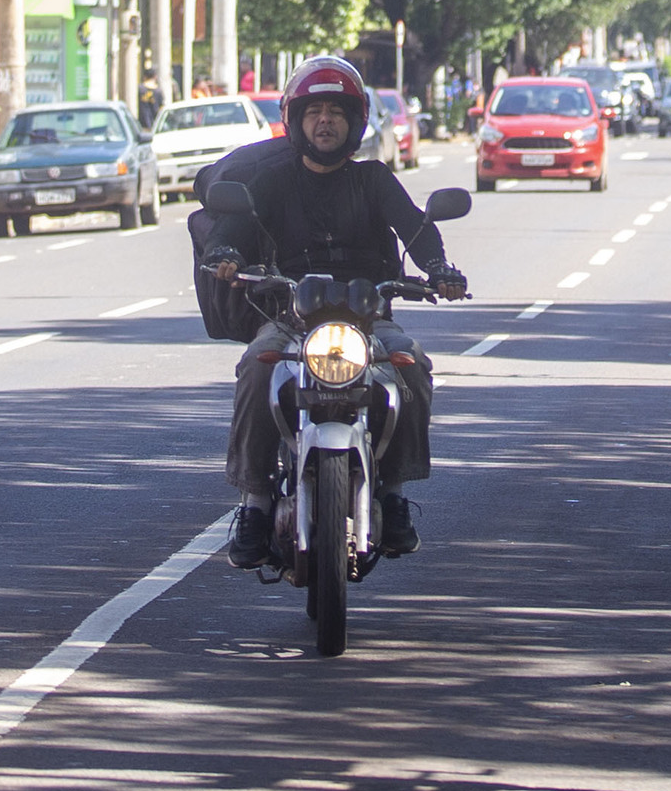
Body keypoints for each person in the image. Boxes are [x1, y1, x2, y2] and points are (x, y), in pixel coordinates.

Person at [194, 55, 469, 570]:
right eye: (314, 111)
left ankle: (393, 492)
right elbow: (231, 230)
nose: (325, 121)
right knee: (258, 368)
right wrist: (223, 256)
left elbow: (415, 226)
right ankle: (253, 504)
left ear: (355, 121)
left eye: (337, 112)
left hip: (368, 321)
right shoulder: (272, 182)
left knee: (413, 366)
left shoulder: (374, 180)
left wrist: (438, 267)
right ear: (296, 121)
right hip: (291, 320)